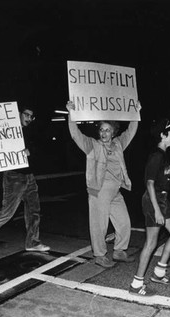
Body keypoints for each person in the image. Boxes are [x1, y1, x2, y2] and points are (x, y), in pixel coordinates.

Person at [0, 105, 50, 253]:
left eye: (31, 116)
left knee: (34, 210)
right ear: (18, 113)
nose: (29, 119)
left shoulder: (29, 131)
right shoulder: (5, 129)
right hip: (14, 176)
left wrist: (31, 151)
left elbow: (39, 148)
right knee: (7, 212)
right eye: (26, 114)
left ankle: (32, 242)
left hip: (29, 175)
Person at [66, 100, 138, 268]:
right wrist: (71, 114)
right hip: (99, 191)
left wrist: (136, 113)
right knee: (99, 225)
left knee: (124, 222)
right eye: (102, 129)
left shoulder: (118, 144)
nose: (104, 133)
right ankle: (99, 255)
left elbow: (131, 131)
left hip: (116, 191)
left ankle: (119, 251)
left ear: (113, 132)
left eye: (108, 130)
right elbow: (76, 135)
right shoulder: (93, 145)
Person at [129, 118, 170, 296]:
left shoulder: (164, 154)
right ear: (163, 135)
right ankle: (136, 284)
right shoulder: (156, 156)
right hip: (154, 201)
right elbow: (150, 184)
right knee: (151, 243)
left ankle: (159, 273)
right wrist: (157, 211)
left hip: (162, 200)